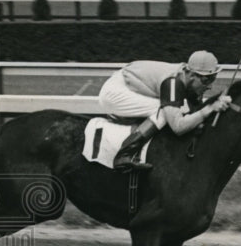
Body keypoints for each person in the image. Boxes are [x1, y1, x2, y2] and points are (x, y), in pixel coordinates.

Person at [98, 51, 232, 171]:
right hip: (114, 92)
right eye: (206, 80)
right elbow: (178, 127)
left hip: (128, 82)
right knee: (163, 111)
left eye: (213, 78)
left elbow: (195, 111)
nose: (209, 86)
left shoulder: (186, 77)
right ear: (191, 75)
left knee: (178, 110)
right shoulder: (173, 83)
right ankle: (124, 155)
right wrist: (210, 109)